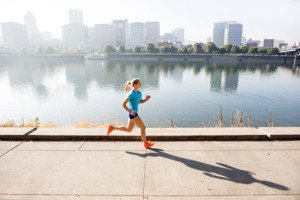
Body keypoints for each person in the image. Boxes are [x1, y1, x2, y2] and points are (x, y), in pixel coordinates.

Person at [107, 78, 154, 148]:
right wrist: (130, 112)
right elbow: (123, 104)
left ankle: (112, 128)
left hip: (132, 114)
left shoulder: (139, 93)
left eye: (140, 82)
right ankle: (145, 143)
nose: (140, 84)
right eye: (139, 83)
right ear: (134, 85)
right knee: (143, 127)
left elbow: (140, 102)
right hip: (133, 114)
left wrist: (146, 99)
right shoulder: (131, 94)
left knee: (129, 130)